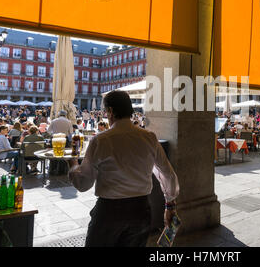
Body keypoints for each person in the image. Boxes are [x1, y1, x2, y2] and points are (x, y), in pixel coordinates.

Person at [65, 91, 179, 247]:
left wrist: (72, 166)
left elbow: (83, 184)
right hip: (140, 211)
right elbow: (167, 173)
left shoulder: (100, 140)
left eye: (106, 111)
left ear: (110, 111)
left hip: (109, 212)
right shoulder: (149, 138)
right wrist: (170, 204)